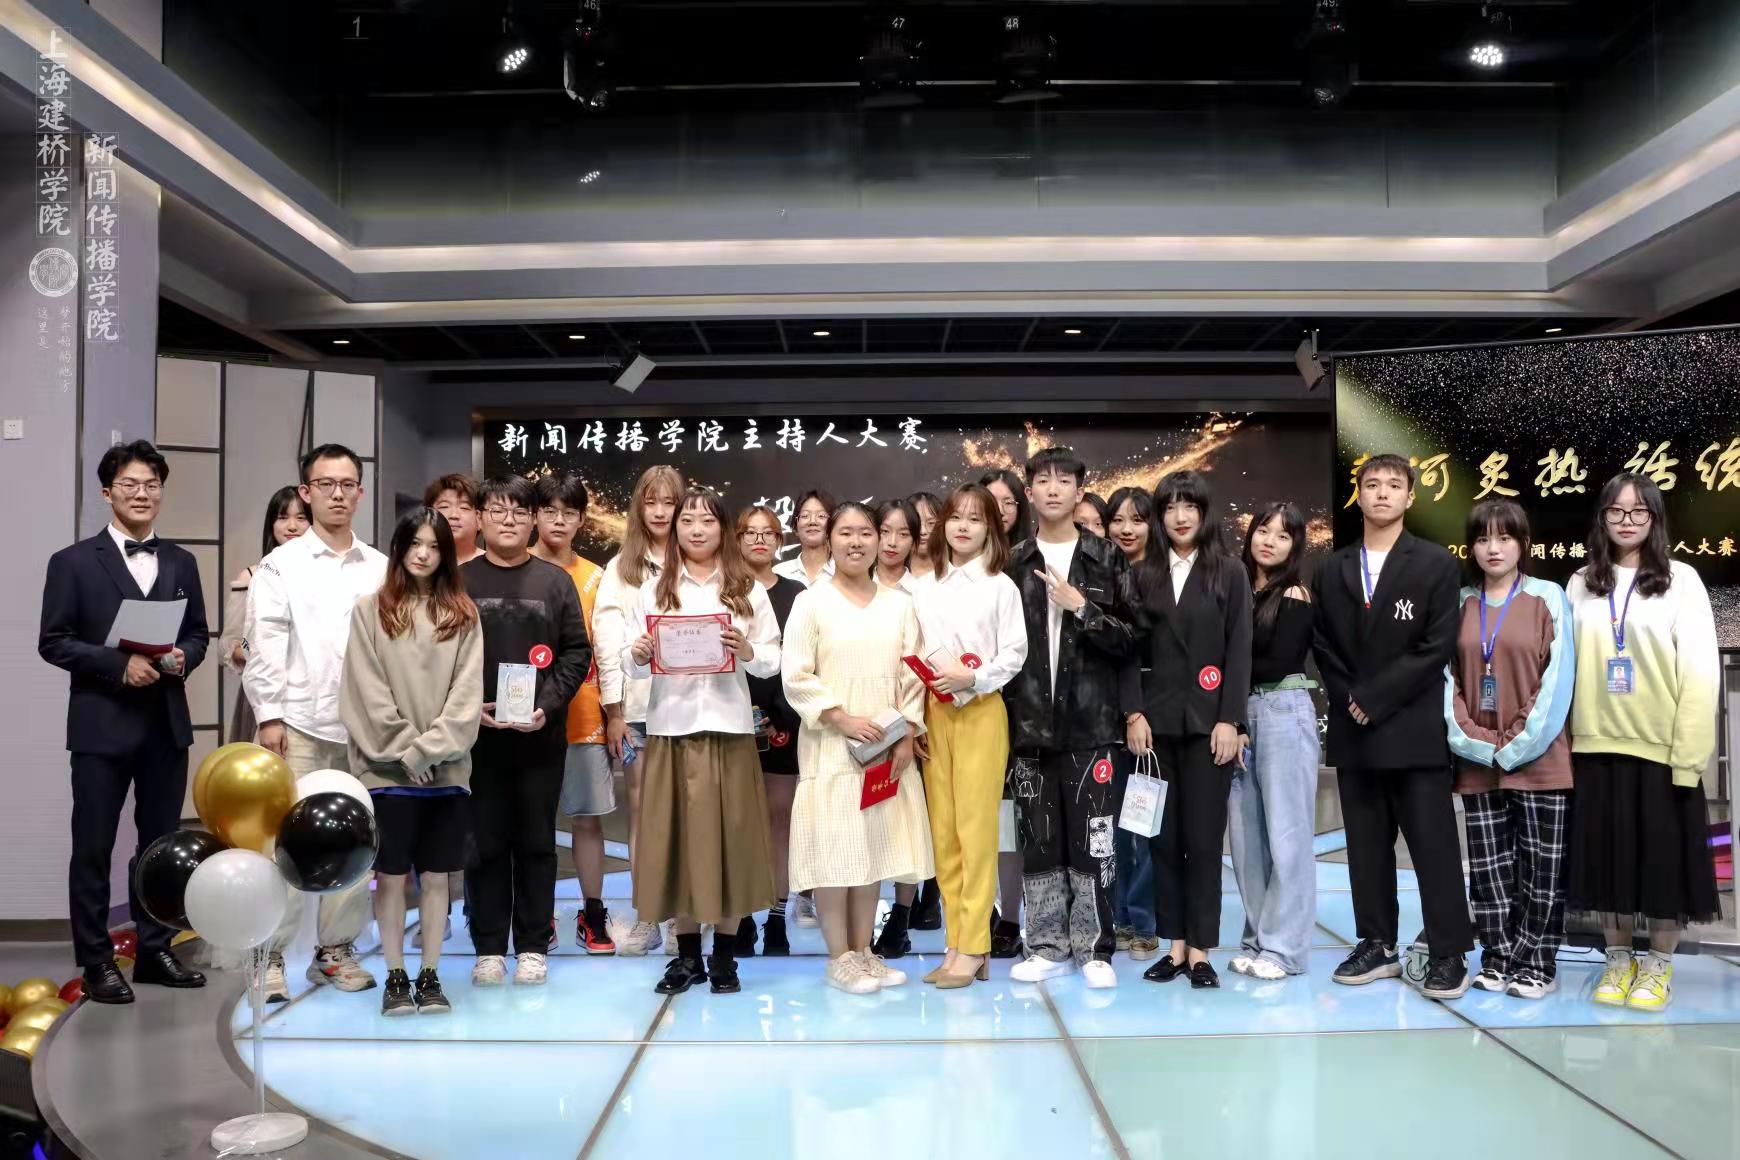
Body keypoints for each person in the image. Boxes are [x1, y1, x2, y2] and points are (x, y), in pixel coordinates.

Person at [38, 441, 209, 1004]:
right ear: (107, 492)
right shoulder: (71, 562)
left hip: (165, 724)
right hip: (101, 726)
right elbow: (54, 641)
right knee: (93, 846)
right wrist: (118, 665)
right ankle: (95, 961)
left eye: (152, 485)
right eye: (130, 485)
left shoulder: (182, 561)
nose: (142, 494)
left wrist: (184, 656)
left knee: (159, 846)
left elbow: (197, 633)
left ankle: (156, 949)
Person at [1312, 453, 1473, 1001]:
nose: (1382, 493)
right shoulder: (1333, 567)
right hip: (1355, 731)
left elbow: (1436, 645)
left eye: (1394, 485)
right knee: (1366, 848)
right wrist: (1351, 699)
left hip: (1413, 729)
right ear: (1358, 495)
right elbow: (1323, 644)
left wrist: (1374, 698)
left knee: (1433, 847)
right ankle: (1377, 943)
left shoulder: (1435, 563)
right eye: (1372, 484)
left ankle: (1449, 951)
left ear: (1410, 496)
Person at [1565, 474, 1720, 1012]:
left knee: (1662, 865)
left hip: (1660, 751)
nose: (1626, 520)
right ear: (1602, 518)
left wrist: (1688, 757)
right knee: (1607, 862)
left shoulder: (1682, 580)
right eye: (1616, 510)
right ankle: (1617, 959)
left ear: (1654, 518)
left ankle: (1657, 965)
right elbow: (1565, 667)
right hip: (1593, 748)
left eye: (1638, 511)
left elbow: (1700, 673)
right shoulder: (1581, 582)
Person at [247, 443, 388, 1002]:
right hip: (298, 724)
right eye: (325, 484)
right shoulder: (281, 565)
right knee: (285, 842)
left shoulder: (380, 567)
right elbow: (266, 643)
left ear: (360, 492)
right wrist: (269, 716)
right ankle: (271, 956)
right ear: (306, 492)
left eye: (347, 484)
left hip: (362, 729)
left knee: (356, 838)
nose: (337, 494)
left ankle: (335, 952)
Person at [625, 488, 780, 996]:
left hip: (729, 729)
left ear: (723, 530)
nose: (696, 529)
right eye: (687, 520)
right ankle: (687, 956)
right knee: (679, 845)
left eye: (707, 521)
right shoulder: (654, 589)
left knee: (731, 843)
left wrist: (748, 649)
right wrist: (639, 653)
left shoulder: (745, 588)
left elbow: (772, 660)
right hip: (671, 729)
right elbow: (630, 662)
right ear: (675, 529)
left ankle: (725, 958)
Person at [1003, 448, 1139, 989]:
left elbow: (1132, 639)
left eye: (1064, 481)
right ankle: (1046, 946)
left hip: (1093, 727)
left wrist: (1082, 607)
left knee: (1095, 841)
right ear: (1029, 492)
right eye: (1043, 480)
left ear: (1080, 491)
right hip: (1030, 728)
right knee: (1038, 839)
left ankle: (1095, 948)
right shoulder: (1012, 562)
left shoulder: (1107, 557)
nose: (1054, 489)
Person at [783, 502, 932, 994]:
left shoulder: (899, 604)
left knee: (871, 850)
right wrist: (842, 719)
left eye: (865, 532)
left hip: (885, 748)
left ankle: (864, 951)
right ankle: (838, 957)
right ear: (829, 540)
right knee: (833, 852)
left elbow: (913, 674)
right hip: (830, 746)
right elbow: (795, 675)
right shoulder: (811, 602)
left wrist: (907, 733)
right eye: (845, 532)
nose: (856, 542)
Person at [339, 509, 482, 1016]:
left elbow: (466, 698)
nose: (423, 554)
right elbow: (365, 692)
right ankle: (396, 975)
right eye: (415, 543)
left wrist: (428, 750)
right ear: (399, 548)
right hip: (385, 772)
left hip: (446, 772)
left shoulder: (463, 614)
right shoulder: (370, 611)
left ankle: (431, 973)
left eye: (434, 546)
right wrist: (406, 751)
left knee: (438, 876)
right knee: (392, 875)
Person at [1444, 498, 1575, 1001]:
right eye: (1482, 539)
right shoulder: (1459, 603)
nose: (1493, 548)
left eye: (1504, 538)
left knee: (1542, 869)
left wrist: (1516, 742)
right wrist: (1475, 741)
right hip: (1477, 761)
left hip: (1541, 759)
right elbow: (1446, 681)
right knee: (1489, 869)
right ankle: (1497, 957)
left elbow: (1556, 680)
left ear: (1523, 543)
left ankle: (1537, 962)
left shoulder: (1548, 597)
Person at [462, 477, 590, 987]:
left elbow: (576, 652)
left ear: (533, 519)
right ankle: (489, 948)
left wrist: (546, 705)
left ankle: (534, 945)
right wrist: (468, 708)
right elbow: (440, 655)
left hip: (540, 737)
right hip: (478, 739)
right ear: (480, 519)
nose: (509, 520)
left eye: (519, 511)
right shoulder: (459, 581)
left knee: (537, 843)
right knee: (484, 844)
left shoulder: (554, 582)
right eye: (498, 511)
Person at [1125, 471, 1251, 989]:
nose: (1180, 517)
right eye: (1170, 507)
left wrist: (1230, 719)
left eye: (1189, 506)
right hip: (1154, 728)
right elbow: (1128, 651)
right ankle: (1173, 946)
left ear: (1204, 513)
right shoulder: (1142, 574)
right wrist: (1133, 713)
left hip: (1208, 727)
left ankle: (1200, 950)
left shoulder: (1230, 572)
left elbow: (1239, 649)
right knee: (1162, 841)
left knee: (1202, 841)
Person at [911, 485, 1027, 988]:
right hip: (935, 713)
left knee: (977, 832)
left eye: (975, 519)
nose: (963, 526)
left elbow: (1014, 654)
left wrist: (973, 678)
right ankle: (956, 943)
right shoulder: (924, 586)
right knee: (944, 833)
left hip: (981, 711)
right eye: (955, 517)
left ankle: (978, 943)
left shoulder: (1001, 587)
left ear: (991, 530)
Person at [1227, 502, 1320, 981]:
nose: (1270, 541)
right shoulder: (1236, 588)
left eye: (1283, 536)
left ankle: (1285, 950)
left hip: (1282, 710)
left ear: (1295, 546)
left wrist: (1226, 667)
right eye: (1264, 530)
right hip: (1238, 717)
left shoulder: (1295, 594)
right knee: (1246, 839)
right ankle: (1259, 939)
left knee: (1287, 836)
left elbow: (1278, 661)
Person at [594, 464, 685, 955]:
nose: (660, 512)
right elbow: (608, 644)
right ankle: (648, 913)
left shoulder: (699, 562)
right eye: (651, 502)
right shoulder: (620, 568)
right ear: (638, 508)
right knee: (644, 814)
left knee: (687, 816)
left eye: (669, 502)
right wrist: (614, 712)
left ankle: (683, 918)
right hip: (638, 711)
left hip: (690, 711)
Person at [531, 472, 615, 955]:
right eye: (550, 511)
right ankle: (537, 912)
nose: (559, 521)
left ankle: (593, 911)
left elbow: (605, 651)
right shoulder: (516, 569)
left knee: (587, 820)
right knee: (534, 823)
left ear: (582, 520)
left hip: (584, 716)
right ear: (535, 516)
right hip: (525, 718)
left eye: (569, 513)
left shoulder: (597, 578)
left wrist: (614, 713)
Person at [735, 505, 808, 956]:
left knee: (781, 820)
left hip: (785, 719)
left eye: (768, 533)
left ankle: (778, 917)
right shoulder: (723, 590)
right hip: (730, 719)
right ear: (737, 539)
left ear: (780, 541)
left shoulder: (797, 594)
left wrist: (783, 713)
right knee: (739, 821)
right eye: (750, 533)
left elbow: (801, 659)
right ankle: (741, 916)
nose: (759, 540)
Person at [865, 496, 928, 958]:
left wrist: (909, 729)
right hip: (857, 724)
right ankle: (860, 922)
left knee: (906, 824)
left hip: (906, 723)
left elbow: (919, 667)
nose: (891, 542)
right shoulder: (849, 584)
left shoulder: (923, 592)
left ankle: (901, 920)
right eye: (883, 531)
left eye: (903, 533)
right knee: (865, 826)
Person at [979, 466, 1033, 957]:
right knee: (979, 818)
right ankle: (980, 912)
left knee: (1014, 819)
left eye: (1008, 502)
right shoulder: (959, 568)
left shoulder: (1030, 563)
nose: (998, 511)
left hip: (1024, 708)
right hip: (970, 706)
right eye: (988, 502)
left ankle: (1012, 917)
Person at [1104, 487, 1160, 961]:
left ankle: (1143, 920)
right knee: (1116, 828)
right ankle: (1119, 916)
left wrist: (1137, 712)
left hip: (1149, 716)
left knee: (1144, 824)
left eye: (1137, 520)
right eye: (1117, 520)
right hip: (1110, 717)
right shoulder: (1103, 576)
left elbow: (1141, 653)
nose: (1126, 529)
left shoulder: (1161, 577)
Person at [223, 486, 307, 745]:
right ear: (271, 525)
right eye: (282, 517)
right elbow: (230, 644)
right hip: (263, 697)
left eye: (301, 518)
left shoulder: (324, 577)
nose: (292, 526)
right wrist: (258, 649)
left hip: (312, 697)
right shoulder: (251, 576)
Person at [901, 489, 947, 934]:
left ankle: (932, 894)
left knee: (937, 802)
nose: (923, 530)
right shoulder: (884, 577)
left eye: (932, 521)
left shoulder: (948, 578)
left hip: (942, 700)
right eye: (916, 522)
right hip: (895, 703)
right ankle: (901, 900)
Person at [774, 489, 837, 588]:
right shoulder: (779, 573)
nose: (812, 522)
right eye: (805, 516)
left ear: (833, 525)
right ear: (795, 527)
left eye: (821, 516)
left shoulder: (844, 573)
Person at [427, 473, 484, 565]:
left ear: (479, 519)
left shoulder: (494, 567)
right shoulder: (416, 564)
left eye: (464, 507)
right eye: (444, 506)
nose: (454, 515)